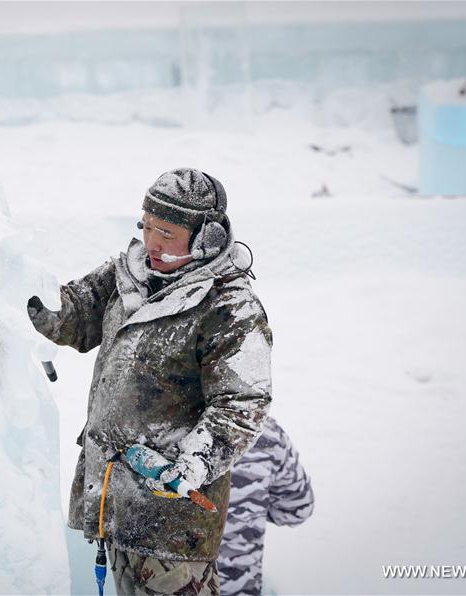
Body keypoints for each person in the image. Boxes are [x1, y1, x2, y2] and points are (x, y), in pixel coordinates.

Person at [27, 168, 273, 595]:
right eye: (146, 226)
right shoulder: (127, 275)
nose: (152, 242)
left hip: (171, 525)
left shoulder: (231, 308)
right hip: (108, 500)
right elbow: (75, 318)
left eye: (167, 232)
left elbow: (241, 404)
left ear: (206, 240)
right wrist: (27, 294)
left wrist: (190, 465)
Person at [218, 415, 315, 595]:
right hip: (239, 587)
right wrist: (252, 511)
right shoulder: (265, 433)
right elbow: (298, 508)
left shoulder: (156, 435)